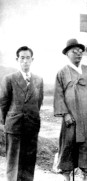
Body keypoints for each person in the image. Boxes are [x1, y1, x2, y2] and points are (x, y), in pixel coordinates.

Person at [53, 39, 87, 181]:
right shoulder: (62, 72)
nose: (78, 54)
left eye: (80, 51)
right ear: (67, 53)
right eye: (74, 51)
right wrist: (65, 114)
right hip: (71, 118)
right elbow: (58, 95)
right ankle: (67, 177)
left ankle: (85, 177)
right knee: (68, 146)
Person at [0, 46, 44, 181]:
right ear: (17, 60)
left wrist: (32, 117)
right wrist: (6, 122)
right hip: (14, 127)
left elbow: (39, 102)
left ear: (32, 60)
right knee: (14, 162)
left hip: (31, 125)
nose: (25, 61)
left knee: (29, 161)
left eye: (28, 58)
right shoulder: (9, 79)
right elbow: (3, 104)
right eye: (22, 58)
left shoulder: (38, 80)